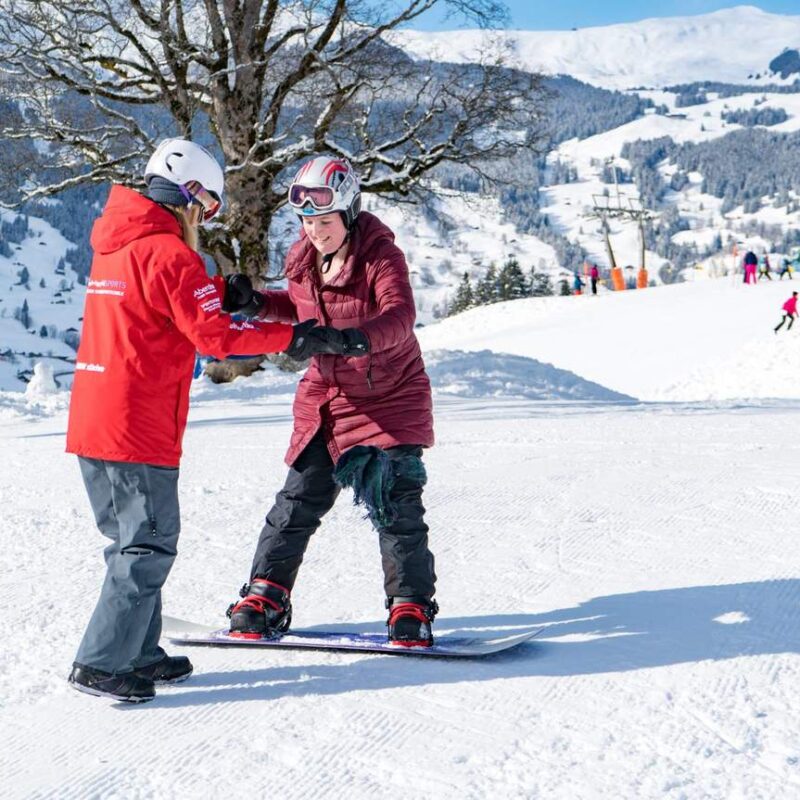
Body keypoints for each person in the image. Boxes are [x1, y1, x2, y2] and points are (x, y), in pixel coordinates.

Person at [65, 138, 319, 703]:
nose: (204, 221)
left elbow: (165, 313)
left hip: (94, 420)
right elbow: (217, 339)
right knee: (148, 545)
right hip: (137, 423)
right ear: (190, 195)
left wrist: (215, 295)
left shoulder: (116, 245)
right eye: (205, 209)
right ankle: (101, 663)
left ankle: (138, 650)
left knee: (127, 540)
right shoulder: (170, 253)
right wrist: (294, 336)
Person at [223, 155, 438, 647]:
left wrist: (346, 341)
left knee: (395, 503)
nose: (315, 232)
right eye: (307, 222)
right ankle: (266, 594)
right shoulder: (304, 257)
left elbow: (401, 316)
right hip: (326, 398)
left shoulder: (381, 256)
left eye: (324, 221)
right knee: (297, 499)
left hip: (388, 398)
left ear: (348, 214)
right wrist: (256, 302)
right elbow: (297, 306)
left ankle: (410, 605)